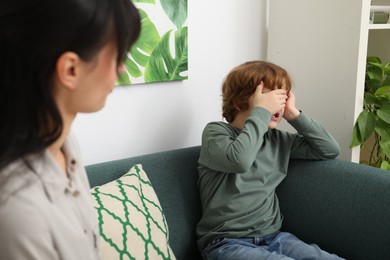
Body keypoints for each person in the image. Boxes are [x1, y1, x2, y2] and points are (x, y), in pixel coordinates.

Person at [0, 0, 140, 259]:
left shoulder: (67, 145)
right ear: (70, 69)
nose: (121, 69)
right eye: (118, 57)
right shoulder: (19, 213)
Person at [196, 61, 343, 259]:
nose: (278, 104)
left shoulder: (278, 140)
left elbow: (329, 149)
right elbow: (240, 160)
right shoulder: (216, 133)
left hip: (274, 238)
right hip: (225, 243)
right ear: (241, 99)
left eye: (282, 96)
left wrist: (293, 114)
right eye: (270, 96)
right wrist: (261, 112)